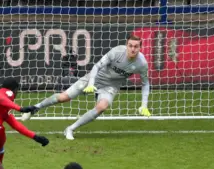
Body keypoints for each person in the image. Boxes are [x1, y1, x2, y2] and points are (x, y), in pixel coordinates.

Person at [21, 34, 152, 140]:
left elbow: (145, 83)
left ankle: (70, 129)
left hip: (111, 86)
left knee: (102, 107)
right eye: (130, 46)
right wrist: (90, 83)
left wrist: (144, 105)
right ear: (126, 45)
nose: (133, 49)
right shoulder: (117, 52)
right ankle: (34, 109)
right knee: (64, 97)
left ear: (140, 47)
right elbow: (96, 66)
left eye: (136, 46)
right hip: (94, 78)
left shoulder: (142, 63)